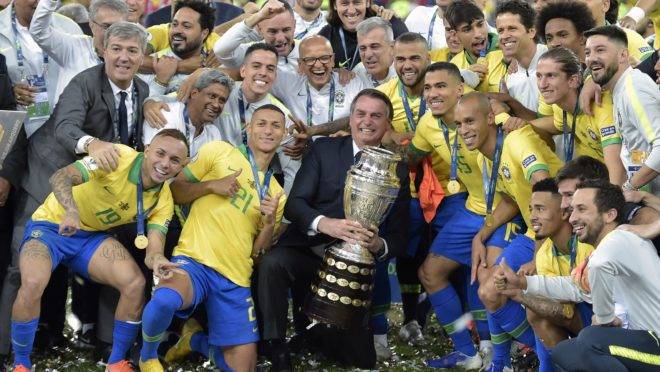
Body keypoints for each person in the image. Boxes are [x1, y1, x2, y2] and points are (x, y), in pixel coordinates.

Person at [0, 21, 150, 361]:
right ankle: (6, 348)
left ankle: (105, 344)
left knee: (111, 260)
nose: (124, 57)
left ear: (142, 56)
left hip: (89, 190)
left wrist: (154, 103)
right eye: (117, 49)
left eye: (132, 51)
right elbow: (67, 126)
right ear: (103, 51)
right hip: (44, 176)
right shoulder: (83, 82)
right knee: (19, 265)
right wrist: (92, 143)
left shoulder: (142, 90)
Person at [10, 129, 189, 372]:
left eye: (175, 160)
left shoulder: (163, 200)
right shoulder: (118, 157)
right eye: (160, 153)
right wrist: (71, 210)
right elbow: (60, 177)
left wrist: (158, 260)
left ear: (183, 165)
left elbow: (154, 248)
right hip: (52, 226)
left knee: (134, 283)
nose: (165, 164)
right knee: (32, 282)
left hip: (90, 238)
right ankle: (21, 364)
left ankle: (115, 362)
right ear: (147, 150)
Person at [256, 89, 410, 371]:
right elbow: (295, 205)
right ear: (349, 120)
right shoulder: (324, 149)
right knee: (272, 264)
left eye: (376, 116)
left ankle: (314, 334)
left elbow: (400, 235)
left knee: (361, 360)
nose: (367, 121)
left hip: (353, 265)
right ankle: (275, 344)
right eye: (360, 114)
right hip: (307, 247)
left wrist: (378, 245)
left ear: (387, 124)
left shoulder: (397, 170)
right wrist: (326, 223)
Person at [138, 105, 287, 372]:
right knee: (164, 300)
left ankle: (194, 340)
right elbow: (175, 190)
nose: (268, 130)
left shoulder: (277, 194)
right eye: (262, 123)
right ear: (248, 128)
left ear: (284, 133)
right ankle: (147, 357)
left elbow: (258, 253)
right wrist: (211, 186)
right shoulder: (219, 151)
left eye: (276, 126)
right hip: (194, 261)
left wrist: (267, 225)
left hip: (235, 279)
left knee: (244, 369)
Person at [411, 62, 524, 369]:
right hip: (472, 208)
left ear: (460, 89)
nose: (433, 94)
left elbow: (517, 187)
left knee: (486, 279)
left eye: (440, 86)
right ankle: (467, 352)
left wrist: (516, 117)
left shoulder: (490, 115)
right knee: (430, 273)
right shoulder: (426, 124)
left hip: (507, 209)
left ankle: (502, 353)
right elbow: (413, 154)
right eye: (428, 88)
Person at [496, 179, 660, 372]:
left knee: (591, 339)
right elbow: (575, 287)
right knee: (565, 351)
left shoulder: (621, 238)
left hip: (655, 344)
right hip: (639, 346)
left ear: (609, 215)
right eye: (573, 210)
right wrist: (522, 282)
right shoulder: (605, 251)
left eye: (581, 209)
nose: (572, 217)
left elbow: (599, 266)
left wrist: (604, 318)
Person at [456, 91, 563, 371]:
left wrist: (539, 254)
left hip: (563, 231)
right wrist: (480, 236)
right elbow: (509, 199)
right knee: (490, 288)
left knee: (530, 304)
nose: (464, 130)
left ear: (491, 118)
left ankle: (555, 357)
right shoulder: (484, 156)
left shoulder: (516, 141)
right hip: (536, 231)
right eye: (458, 124)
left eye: (470, 121)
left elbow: (546, 186)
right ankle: (502, 363)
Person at [500, 178, 594, 372]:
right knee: (537, 310)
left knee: (537, 305)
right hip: (580, 322)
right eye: (531, 209)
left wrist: (521, 295)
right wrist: (522, 295)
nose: (532, 216)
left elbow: (569, 312)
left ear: (564, 212)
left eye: (540, 209)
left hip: (610, 322)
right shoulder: (544, 255)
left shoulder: (588, 245)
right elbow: (563, 311)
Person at [530, 47, 626, 184]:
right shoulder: (559, 107)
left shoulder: (601, 107)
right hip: (596, 182)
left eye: (551, 76)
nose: (542, 84)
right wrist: (515, 124)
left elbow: (618, 171)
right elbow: (551, 125)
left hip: (627, 185)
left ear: (573, 80)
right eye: (539, 76)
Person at [584, 26, 660, 193]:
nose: (592, 58)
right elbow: (640, 148)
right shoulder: (621, 89)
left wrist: (627, 188)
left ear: (624, 55)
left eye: (600, 50)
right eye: (588, 52)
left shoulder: (634, 88)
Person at [0, 0, 83, 136]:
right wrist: (7, 93)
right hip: (14, 133)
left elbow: (85, 76)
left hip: (64, 130)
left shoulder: (69, 27)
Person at [29, 0, 129, 104]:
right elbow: (39, 31)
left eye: (118, 27)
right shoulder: (73, 47)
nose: (112, 33)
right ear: (91, 24)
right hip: (70, 118)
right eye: (106, 27)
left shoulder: (131, 57)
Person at [271, 36, 367, 127]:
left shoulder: (352, 83)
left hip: (341, 143)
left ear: (333, 60)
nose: (318, 65)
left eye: (324, 58)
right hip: (305, 144)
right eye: (310, 59)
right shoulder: (289, 84)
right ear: (300, 64)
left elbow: (365, 118)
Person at [142, 69, 232, 156]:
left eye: (222, 100)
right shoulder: (165, 115)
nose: (216, 105)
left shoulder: (214, 133)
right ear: (194, 93)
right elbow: (157, 162)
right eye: (212, 96)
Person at [139, 0, 215, 96]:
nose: (177, 30)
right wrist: (174, 67)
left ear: (204, 33)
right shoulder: (150, 64)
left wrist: (203, 71)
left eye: (186, 26)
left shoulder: (212, 60)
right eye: (174, 24)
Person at [213, 0, 299, 76]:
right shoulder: (253, 53)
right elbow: (220, 50)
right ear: (260, 29)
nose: (280, 38)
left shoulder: (306, 50)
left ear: (294, 25)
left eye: (286, 30)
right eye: (273, 31)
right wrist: (259, 16)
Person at [317, 0, 408, 70]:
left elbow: (412, 60)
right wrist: (336, 73)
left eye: (357, 2)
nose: (351, 11)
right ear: (334, 5)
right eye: (344, 3)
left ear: (367, 2)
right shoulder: (325, 37)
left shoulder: (390, 24)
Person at [446, 0, 506, 93]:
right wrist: (463, 81)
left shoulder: (508, 51)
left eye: (480, 24)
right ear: (456, 35)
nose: (478, 34)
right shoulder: (454, 67)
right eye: (467, 29)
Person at [578, 0, 653, 64]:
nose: (579, 2)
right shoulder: (568, 40)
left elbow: (652, 72)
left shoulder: (628, 37)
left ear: (605, 5)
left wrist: (638, 69)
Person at [353, 17, 397, 87]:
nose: (368, 55)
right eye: (362, 48)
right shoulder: (357, 73)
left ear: (392, 47)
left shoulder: (403, 74)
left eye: (375, 47)